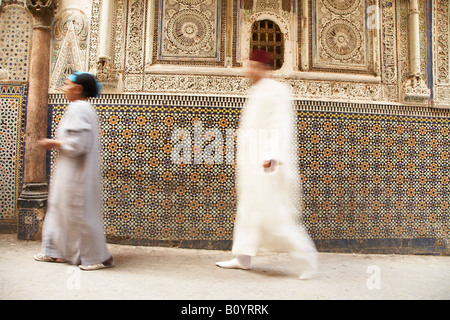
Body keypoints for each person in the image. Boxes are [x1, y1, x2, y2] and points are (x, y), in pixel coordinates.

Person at [216, 50, 318, 279]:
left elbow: (280, 124)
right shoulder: (257, 92)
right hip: (253, 166)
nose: (248, 70)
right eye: (248, 65)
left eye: (253, 66)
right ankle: (243, 258)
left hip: (268, 166)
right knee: (248, 212)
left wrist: (271, 155)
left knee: (274, 215)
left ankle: (307, 256)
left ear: (264, 68)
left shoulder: (276, 91)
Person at [34, 72, 113, 271]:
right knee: (62, 210)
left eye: (66, 84)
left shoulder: (80, 108)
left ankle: (94, 258)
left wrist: (54, 143)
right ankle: (56, 253)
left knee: (79, 213)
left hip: (77, 175)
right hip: (70, 172)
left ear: (77, 88)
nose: (63, 88)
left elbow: (80, 144)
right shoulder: (79, 107)